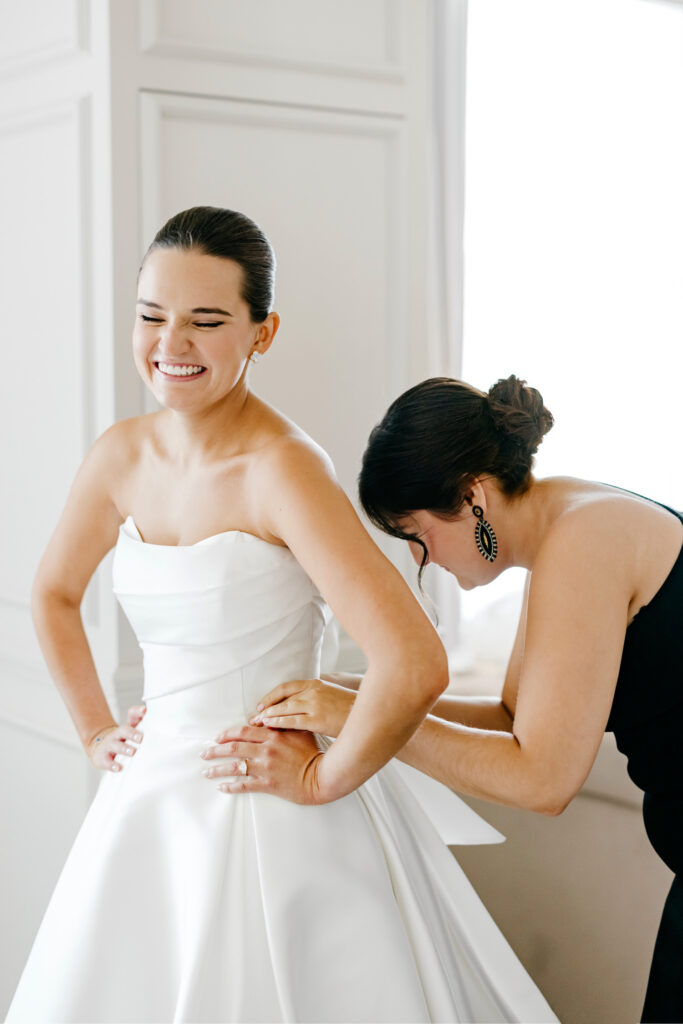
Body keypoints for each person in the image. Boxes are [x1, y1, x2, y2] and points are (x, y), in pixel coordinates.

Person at [6, 211, 557, 1023]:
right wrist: (95, 732)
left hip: (275, 816)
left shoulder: (283, 470)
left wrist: (321, 777)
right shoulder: (118, 455)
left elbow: (412, 658)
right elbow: (52, 595)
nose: (171, 345)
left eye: (206, 321)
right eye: (152, 316)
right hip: (148, 809)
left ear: (262, 333)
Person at [232, 374, 683, 1024]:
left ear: (471, 495)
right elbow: (508, 719)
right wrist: (348, 693)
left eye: (417, 535)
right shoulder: (567, 526)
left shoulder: (584, 541)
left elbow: (543, 780)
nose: (421, 560)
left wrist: (364, 723)